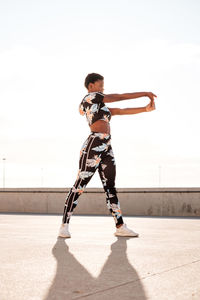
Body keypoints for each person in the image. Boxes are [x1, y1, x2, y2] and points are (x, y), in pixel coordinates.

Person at [58, 73, 157, 238]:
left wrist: (145, 109)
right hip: (93, 145)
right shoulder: (91, 97)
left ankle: (120, 226)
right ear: (91, 86)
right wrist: (144, 93)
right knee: (80, 184)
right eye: (100, 85)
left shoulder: (101, 105)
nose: (103, 88)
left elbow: (120, 111)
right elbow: (118, 97)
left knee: (110, 187)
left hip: (106, 147)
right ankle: (64, 225)